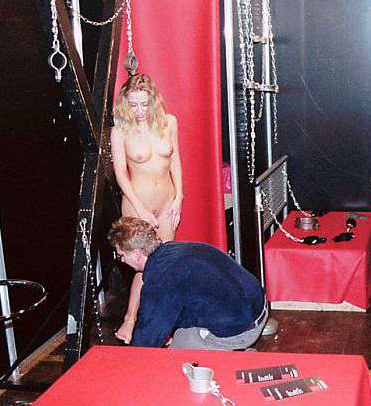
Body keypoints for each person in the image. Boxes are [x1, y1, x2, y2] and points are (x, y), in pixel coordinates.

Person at [108, 217, 267, 350]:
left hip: (241, 330)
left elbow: (147, 342)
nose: (122, 261)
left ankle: (235, 358)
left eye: (122, 255)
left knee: (178, 347)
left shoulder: (161, 279)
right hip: (259, 308)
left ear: (137, 253)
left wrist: (129, 359)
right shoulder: (176, 249)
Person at [111, 74, 183, 344]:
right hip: (136, 203)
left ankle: (163, 325)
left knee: (163, 265)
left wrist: (179, 197)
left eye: (144, 104)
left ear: (153, 100)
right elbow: (120, 174)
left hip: (167, 203)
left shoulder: (169, 122)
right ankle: (130, 319)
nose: (139, 111)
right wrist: (140, 209)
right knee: (142, 266)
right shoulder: (120, 131)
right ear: (125, 103)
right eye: (133, 105)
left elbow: (176, 161)